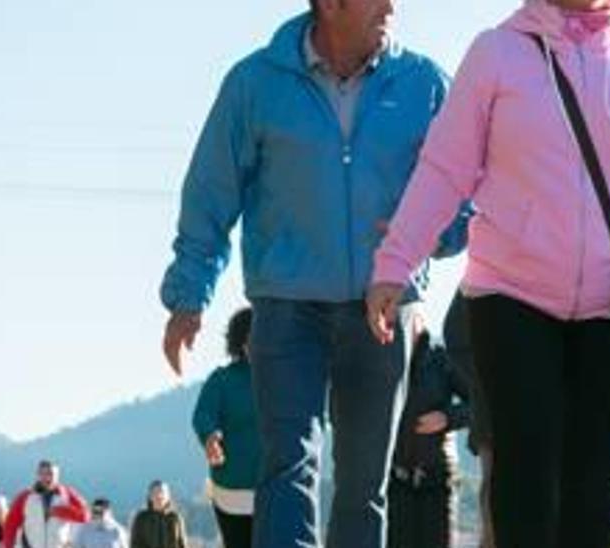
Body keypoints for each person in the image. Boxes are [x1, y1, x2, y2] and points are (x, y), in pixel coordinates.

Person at [366, 0, 610, 545]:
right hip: (511, 294)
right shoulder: (496, 54)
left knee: (594, 481)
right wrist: (395, 262)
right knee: (524, 474)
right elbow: (445, 166)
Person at [158, 0, 466, 545]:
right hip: (286, 307)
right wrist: (188, 295)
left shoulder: (425, 85)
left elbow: (466, 199)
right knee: (287, 465)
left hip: (386, 308)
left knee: (362, 481)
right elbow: (211, 191)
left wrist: (421, 233)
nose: (394, 6)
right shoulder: (255, 83)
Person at [386, 314, 471, 548]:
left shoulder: (442, 357)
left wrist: (447, 418)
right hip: (395, 480)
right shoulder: (383, 355)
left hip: (438, 478)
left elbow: (480, 405)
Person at [191, 308, 259, 548]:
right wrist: (209, 437)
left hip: (274, 488)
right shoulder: (223, 379)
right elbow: (203, 415)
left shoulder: (283, 378)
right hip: (232, 489)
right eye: (252, 336)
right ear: (240, 341)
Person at [439, 295, 492, 548]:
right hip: (498, 417)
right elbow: (456, 337)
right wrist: (491, 385)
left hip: (562, 417)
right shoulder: (491, 263)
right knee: (498, 510)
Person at [1, 462, 88, 548]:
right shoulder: (25, 496)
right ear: (38, 475)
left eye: (51, 474)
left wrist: (60, 511)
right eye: (43, 474)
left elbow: (85, 516)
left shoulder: (67, 494)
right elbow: (11, 525)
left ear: (57, 476)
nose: (47, 478)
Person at [128, 482, 186, 548]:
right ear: (150, 496)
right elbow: (135, 544)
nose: (159, 496)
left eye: (162, 492)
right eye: (155, 493)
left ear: (168, 497)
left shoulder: (175, 518)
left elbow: (182, 544)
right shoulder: (141, 518)